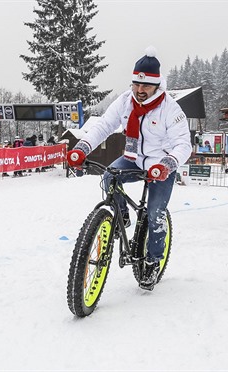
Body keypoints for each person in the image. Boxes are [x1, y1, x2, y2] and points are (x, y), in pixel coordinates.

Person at [66, 47, 192, 290]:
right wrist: (82, 147)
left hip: (160, 165)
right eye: (136, 84)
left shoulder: (170, 109)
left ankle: (153, 261)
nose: (140, 90)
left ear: (157, 85)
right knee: (108, 176)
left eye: (145, 86)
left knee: (154, 214)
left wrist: (167, 164)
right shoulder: (125, 101)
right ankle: (121, 217)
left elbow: (183, 144)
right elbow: (104, 126)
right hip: (133, 159)